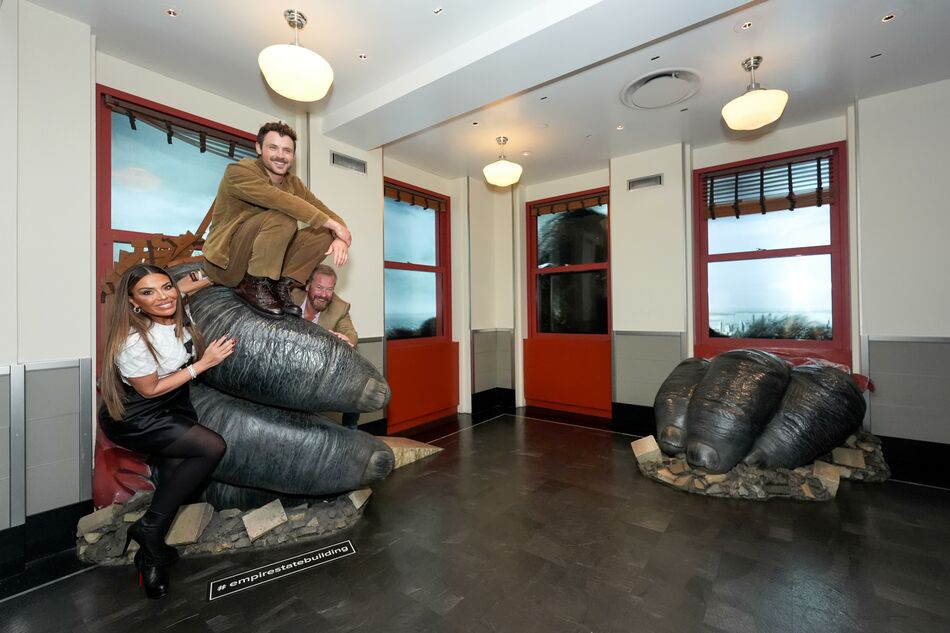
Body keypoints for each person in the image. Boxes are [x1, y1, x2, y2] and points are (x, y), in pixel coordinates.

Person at [99, 264, 235, 599]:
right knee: (211, 447)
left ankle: (151, 553)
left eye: (165, 287)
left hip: (171, 407)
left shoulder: (174, 306)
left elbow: (194, 283)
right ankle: (148, 529)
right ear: (132, 302)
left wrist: (212, 279)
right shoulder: (132, 340)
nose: (162, 297)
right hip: (137, 416)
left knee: (174, 475)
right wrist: (203, 364)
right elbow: (150, 389)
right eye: (147, 292)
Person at [202, 121, 352, 318]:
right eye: (273, 148)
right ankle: (255, 283)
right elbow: (279, 200)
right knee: (284, 215)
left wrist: (340, 235)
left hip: (268, 260)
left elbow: (326, 212)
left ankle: (282, 285)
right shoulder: (238, 172)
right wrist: (333, 225)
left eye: (287, 151)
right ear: (258, 148)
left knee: (324, 233)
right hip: (228, 262)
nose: (281, 156)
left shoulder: (293, 183)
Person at [296, 264, 361, 430]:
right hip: (287, 360)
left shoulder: (340, 307)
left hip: (316, 366)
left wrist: (348, 340)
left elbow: (351, 334)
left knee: (356, 382)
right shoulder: (290, 295)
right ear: (308, 285)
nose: (324, 295)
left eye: (329, 289)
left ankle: (351, 431)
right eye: (319, 287)